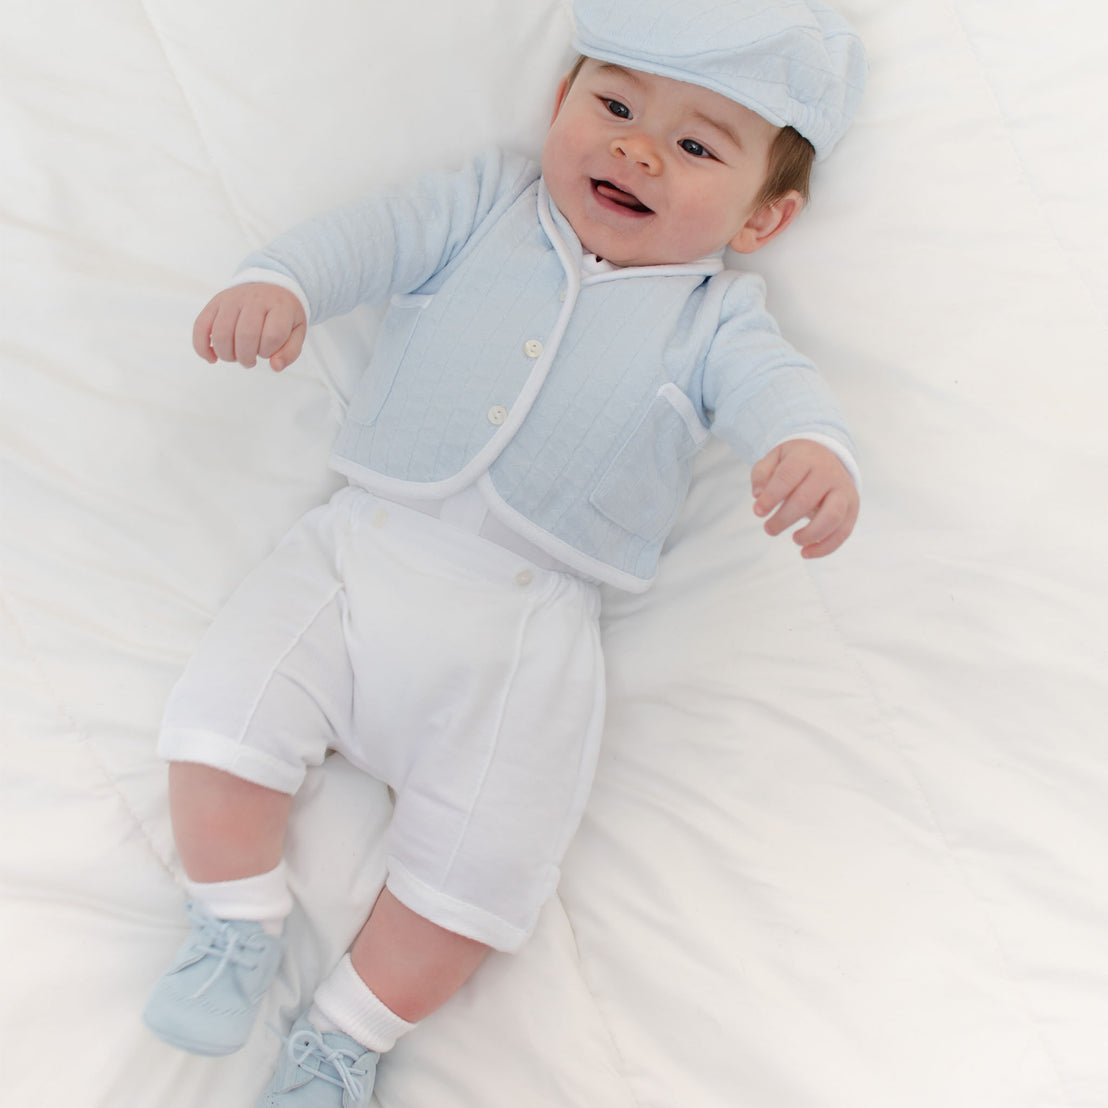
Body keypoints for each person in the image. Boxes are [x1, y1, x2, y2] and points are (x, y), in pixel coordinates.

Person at [143, 0, 867, 1103]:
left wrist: (809, 449)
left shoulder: (716, 320)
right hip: (357, 557)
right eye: (614, 105)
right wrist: (283, 281)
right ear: (559, 104)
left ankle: (345, 1036)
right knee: (220, 717)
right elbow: (369, 237)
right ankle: (234, 918)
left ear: (762, 218)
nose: (633, 147)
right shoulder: (484, 208)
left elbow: (781, 394)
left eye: (691, 144)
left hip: (524, 639)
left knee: (483, 875)